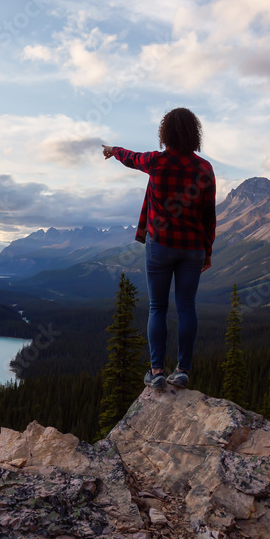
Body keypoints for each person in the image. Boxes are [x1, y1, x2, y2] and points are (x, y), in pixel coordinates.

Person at [102, 107, 216, 390]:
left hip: (160, 246)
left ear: (165, 133)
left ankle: (156, 371)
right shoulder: (205, 169)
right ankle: (183, 370)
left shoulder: (157, 161)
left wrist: (112, 150)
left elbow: (131, 158)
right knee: (187, 307)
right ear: (194, 134)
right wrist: (208, 251)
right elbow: (209, 216)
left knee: (158, 307)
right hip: (192, 248)